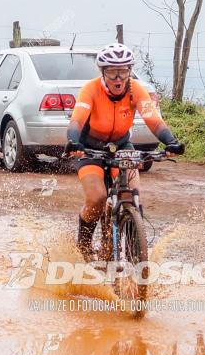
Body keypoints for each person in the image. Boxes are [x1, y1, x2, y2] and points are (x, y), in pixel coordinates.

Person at [64, 43, 185, 260]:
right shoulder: (90, 89)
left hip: (121, 147)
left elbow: (153, 120)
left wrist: (171, 141)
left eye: (123, 71)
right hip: (90, 149)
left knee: (133, 193)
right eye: (112, 72)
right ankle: (83, 245)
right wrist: (73, 141)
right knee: (97, 197)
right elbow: (77, 121)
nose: (118, 78)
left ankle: (134, 248)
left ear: (129, 71)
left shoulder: (136, 89)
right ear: (103, 72)